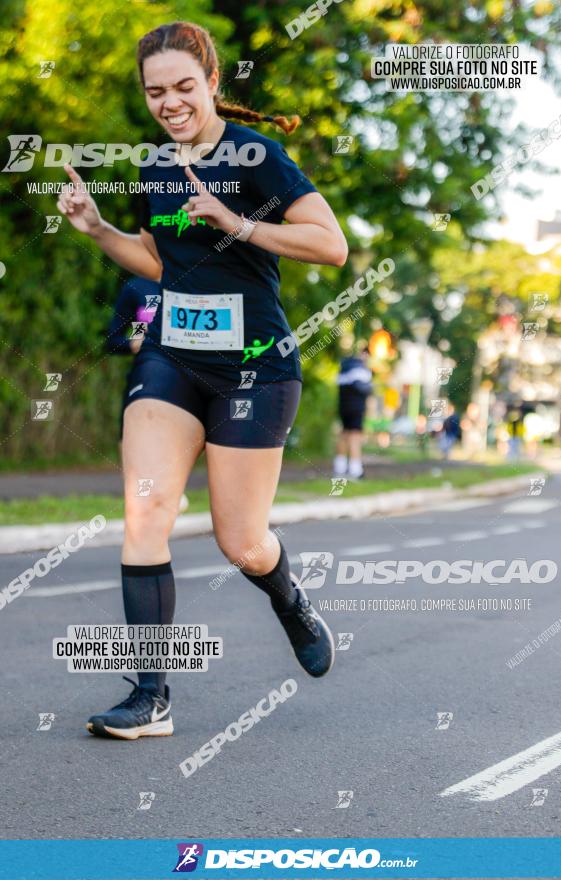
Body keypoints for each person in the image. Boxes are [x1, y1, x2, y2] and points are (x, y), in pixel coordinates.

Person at [57, 20, 348, 739]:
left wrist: (240, 223)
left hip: (254, 364)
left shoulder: (257, 157)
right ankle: (148, 696)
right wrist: (96, 228)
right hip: (171, 357)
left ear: (213, 83)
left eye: (185, 86)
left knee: (242, 541)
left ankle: (287, 598)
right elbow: (163, 262)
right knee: (145, 510)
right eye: (156, 91)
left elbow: (331, 246)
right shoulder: (156, 164)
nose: (171, 102)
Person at [106, 276, 189, 513]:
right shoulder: (137, 288)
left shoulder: (191, 279)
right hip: (145, 376)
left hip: (186, 377)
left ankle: (169, 494)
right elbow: (112, 340)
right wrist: (133, 343)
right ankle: (141, 504)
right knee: (132, 447)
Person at [332, 350, 373, 479]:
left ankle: (340, 467)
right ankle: (355, 470)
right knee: (355, 437)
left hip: (343, 407)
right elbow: (365, 389)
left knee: (344, 435)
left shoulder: (343, 369)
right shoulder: (361, 370)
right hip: (357, 408)